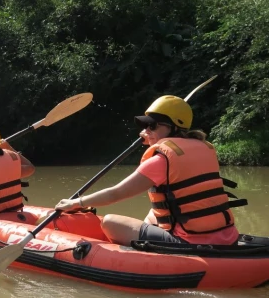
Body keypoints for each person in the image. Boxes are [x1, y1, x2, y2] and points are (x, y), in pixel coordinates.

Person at [55, 95, 247, 246]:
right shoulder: (204, 148)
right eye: (145, 126)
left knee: (109, 222)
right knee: (153, 213)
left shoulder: (161, 160)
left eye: (152, 125)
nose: (146, 130)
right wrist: (153, 135)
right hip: (226, 236)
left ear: (172, 128)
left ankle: (140, 257)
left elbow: (116, 193)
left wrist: (75, 203)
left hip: (189, 241)